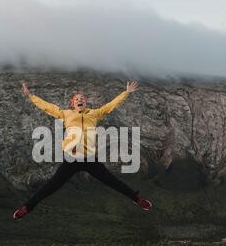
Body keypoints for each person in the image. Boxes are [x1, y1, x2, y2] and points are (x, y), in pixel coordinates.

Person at [13, 81, 153, 220]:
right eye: (76, 99)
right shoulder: (65, 114)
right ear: (72, 104)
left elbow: (111, 105)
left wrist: (126, 93)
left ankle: (137, 199)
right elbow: (47, 107)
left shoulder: (95, 114)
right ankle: (27, 207)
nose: (80, 100)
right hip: (71, 159)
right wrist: (30, 95)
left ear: (86, 103)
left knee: (113, 181)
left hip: (90, 159)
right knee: (51, 186)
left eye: (82, 99)